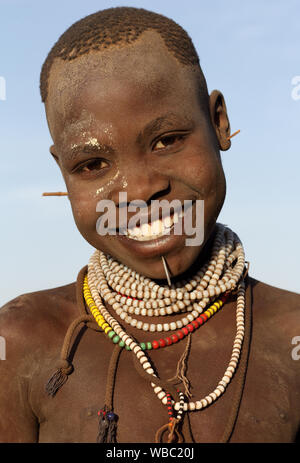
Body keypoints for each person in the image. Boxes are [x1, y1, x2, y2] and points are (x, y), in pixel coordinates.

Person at [0, 7, 299, 444]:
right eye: (93, 164)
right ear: (62, 170)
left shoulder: (290, 336)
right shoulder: (23, 341)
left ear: (219, 122)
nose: (139, 190)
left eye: (168, 140)